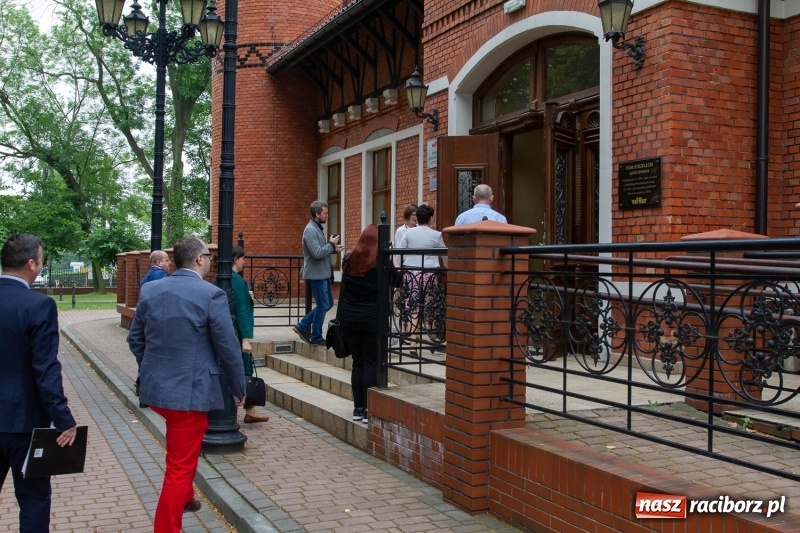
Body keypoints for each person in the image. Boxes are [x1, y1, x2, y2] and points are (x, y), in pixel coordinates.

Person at [127, 236, 246, 533]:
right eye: (208, 255)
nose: (210, 260)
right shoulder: (211, 295)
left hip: (157, 392)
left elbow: (135, 339)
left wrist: (153, 368)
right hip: (188, 396)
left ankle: (187, 496)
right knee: (178, 469)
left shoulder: (151, 289)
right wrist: (238, 387)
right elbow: (228, 347)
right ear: (197, 259)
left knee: (181, 453)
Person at [0, 233, 79, 533]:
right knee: (34, 499)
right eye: (42, 260)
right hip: (25, 421)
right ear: (31, 264)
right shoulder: (38, 306)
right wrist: (64, 419)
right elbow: (45, 369)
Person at [337, 225, 399, 423]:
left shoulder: (349, 259)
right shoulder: (381, 262)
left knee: (358, 363)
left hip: (350, 318)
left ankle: (358, 408)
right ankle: (367, 410)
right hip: (371, 318)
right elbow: (399, 281)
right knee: (371, 362)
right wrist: (393, 256)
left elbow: (344, 290)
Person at [294, 200, 343, 345]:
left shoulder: (317, 228)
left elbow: (322, 250)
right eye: (325, 213)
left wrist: (334, 248)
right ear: (317, 214)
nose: (327, 216)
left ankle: (303, 327)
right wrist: (331, 245)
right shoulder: (310, 230)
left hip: (323, 274)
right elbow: (316, 253)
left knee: (326, 304)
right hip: (317, 275)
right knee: (323, 304)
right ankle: (313, 334)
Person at [231, 245, 268, 424]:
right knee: (244, 369)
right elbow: (241, 310)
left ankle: (250, 409)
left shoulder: (227, 279)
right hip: (238, 334)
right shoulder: (236, 281)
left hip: (234, 332)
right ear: (235, 259)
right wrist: (245, 339)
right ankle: (248, 409)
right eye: (242, 258)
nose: (244, 261)